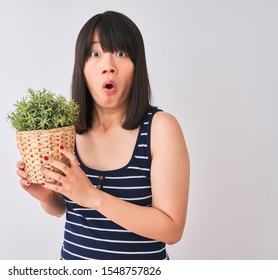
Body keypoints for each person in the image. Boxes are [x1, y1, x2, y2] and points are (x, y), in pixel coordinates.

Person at [17, 11, 190, 260]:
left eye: (120, 53)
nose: (108, 66)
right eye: (95, 54)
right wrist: (46, 196)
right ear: (82, 66)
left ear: (136, 65)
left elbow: (172, 229)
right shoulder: (67, 130)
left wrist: (93, 197)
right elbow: (64, 209)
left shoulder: (160, 128)